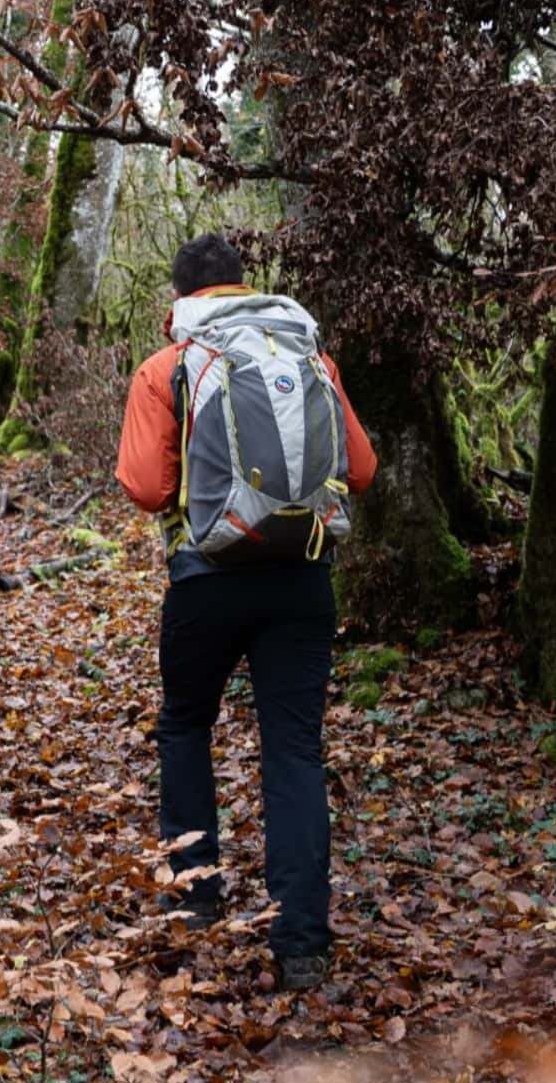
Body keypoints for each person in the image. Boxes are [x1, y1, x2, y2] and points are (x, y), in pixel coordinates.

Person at [114, 233, 375, 993]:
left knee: (185, 725)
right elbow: (359, 470)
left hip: (206, 579)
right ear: (241, 286)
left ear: (179, 297)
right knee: (293, 750)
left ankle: (195, 898)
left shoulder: (166, 369)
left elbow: (144, 488)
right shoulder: (311, 360)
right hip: (302, 577)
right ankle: (301, 944)